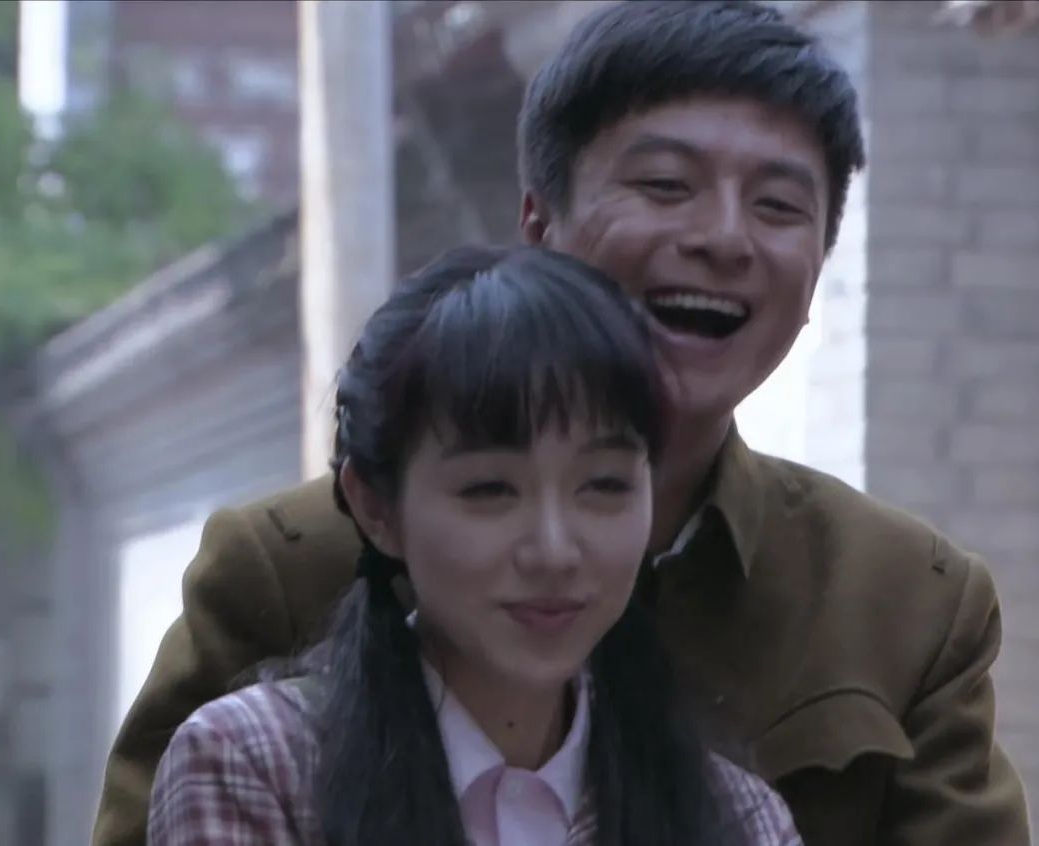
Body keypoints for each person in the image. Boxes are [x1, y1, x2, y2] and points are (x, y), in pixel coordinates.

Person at [95, 2, 1032, 845]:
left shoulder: (905, 603)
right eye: (665, 185)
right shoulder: (280, 575)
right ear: (540, 226)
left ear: (821, 260)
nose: (723, 238)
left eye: (779, 206)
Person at [145, 245, 800, 845]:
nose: (554, 551)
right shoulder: (256, 763)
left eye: (604, 485)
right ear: (376, 507)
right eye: (490, 490)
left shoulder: (739, 820)